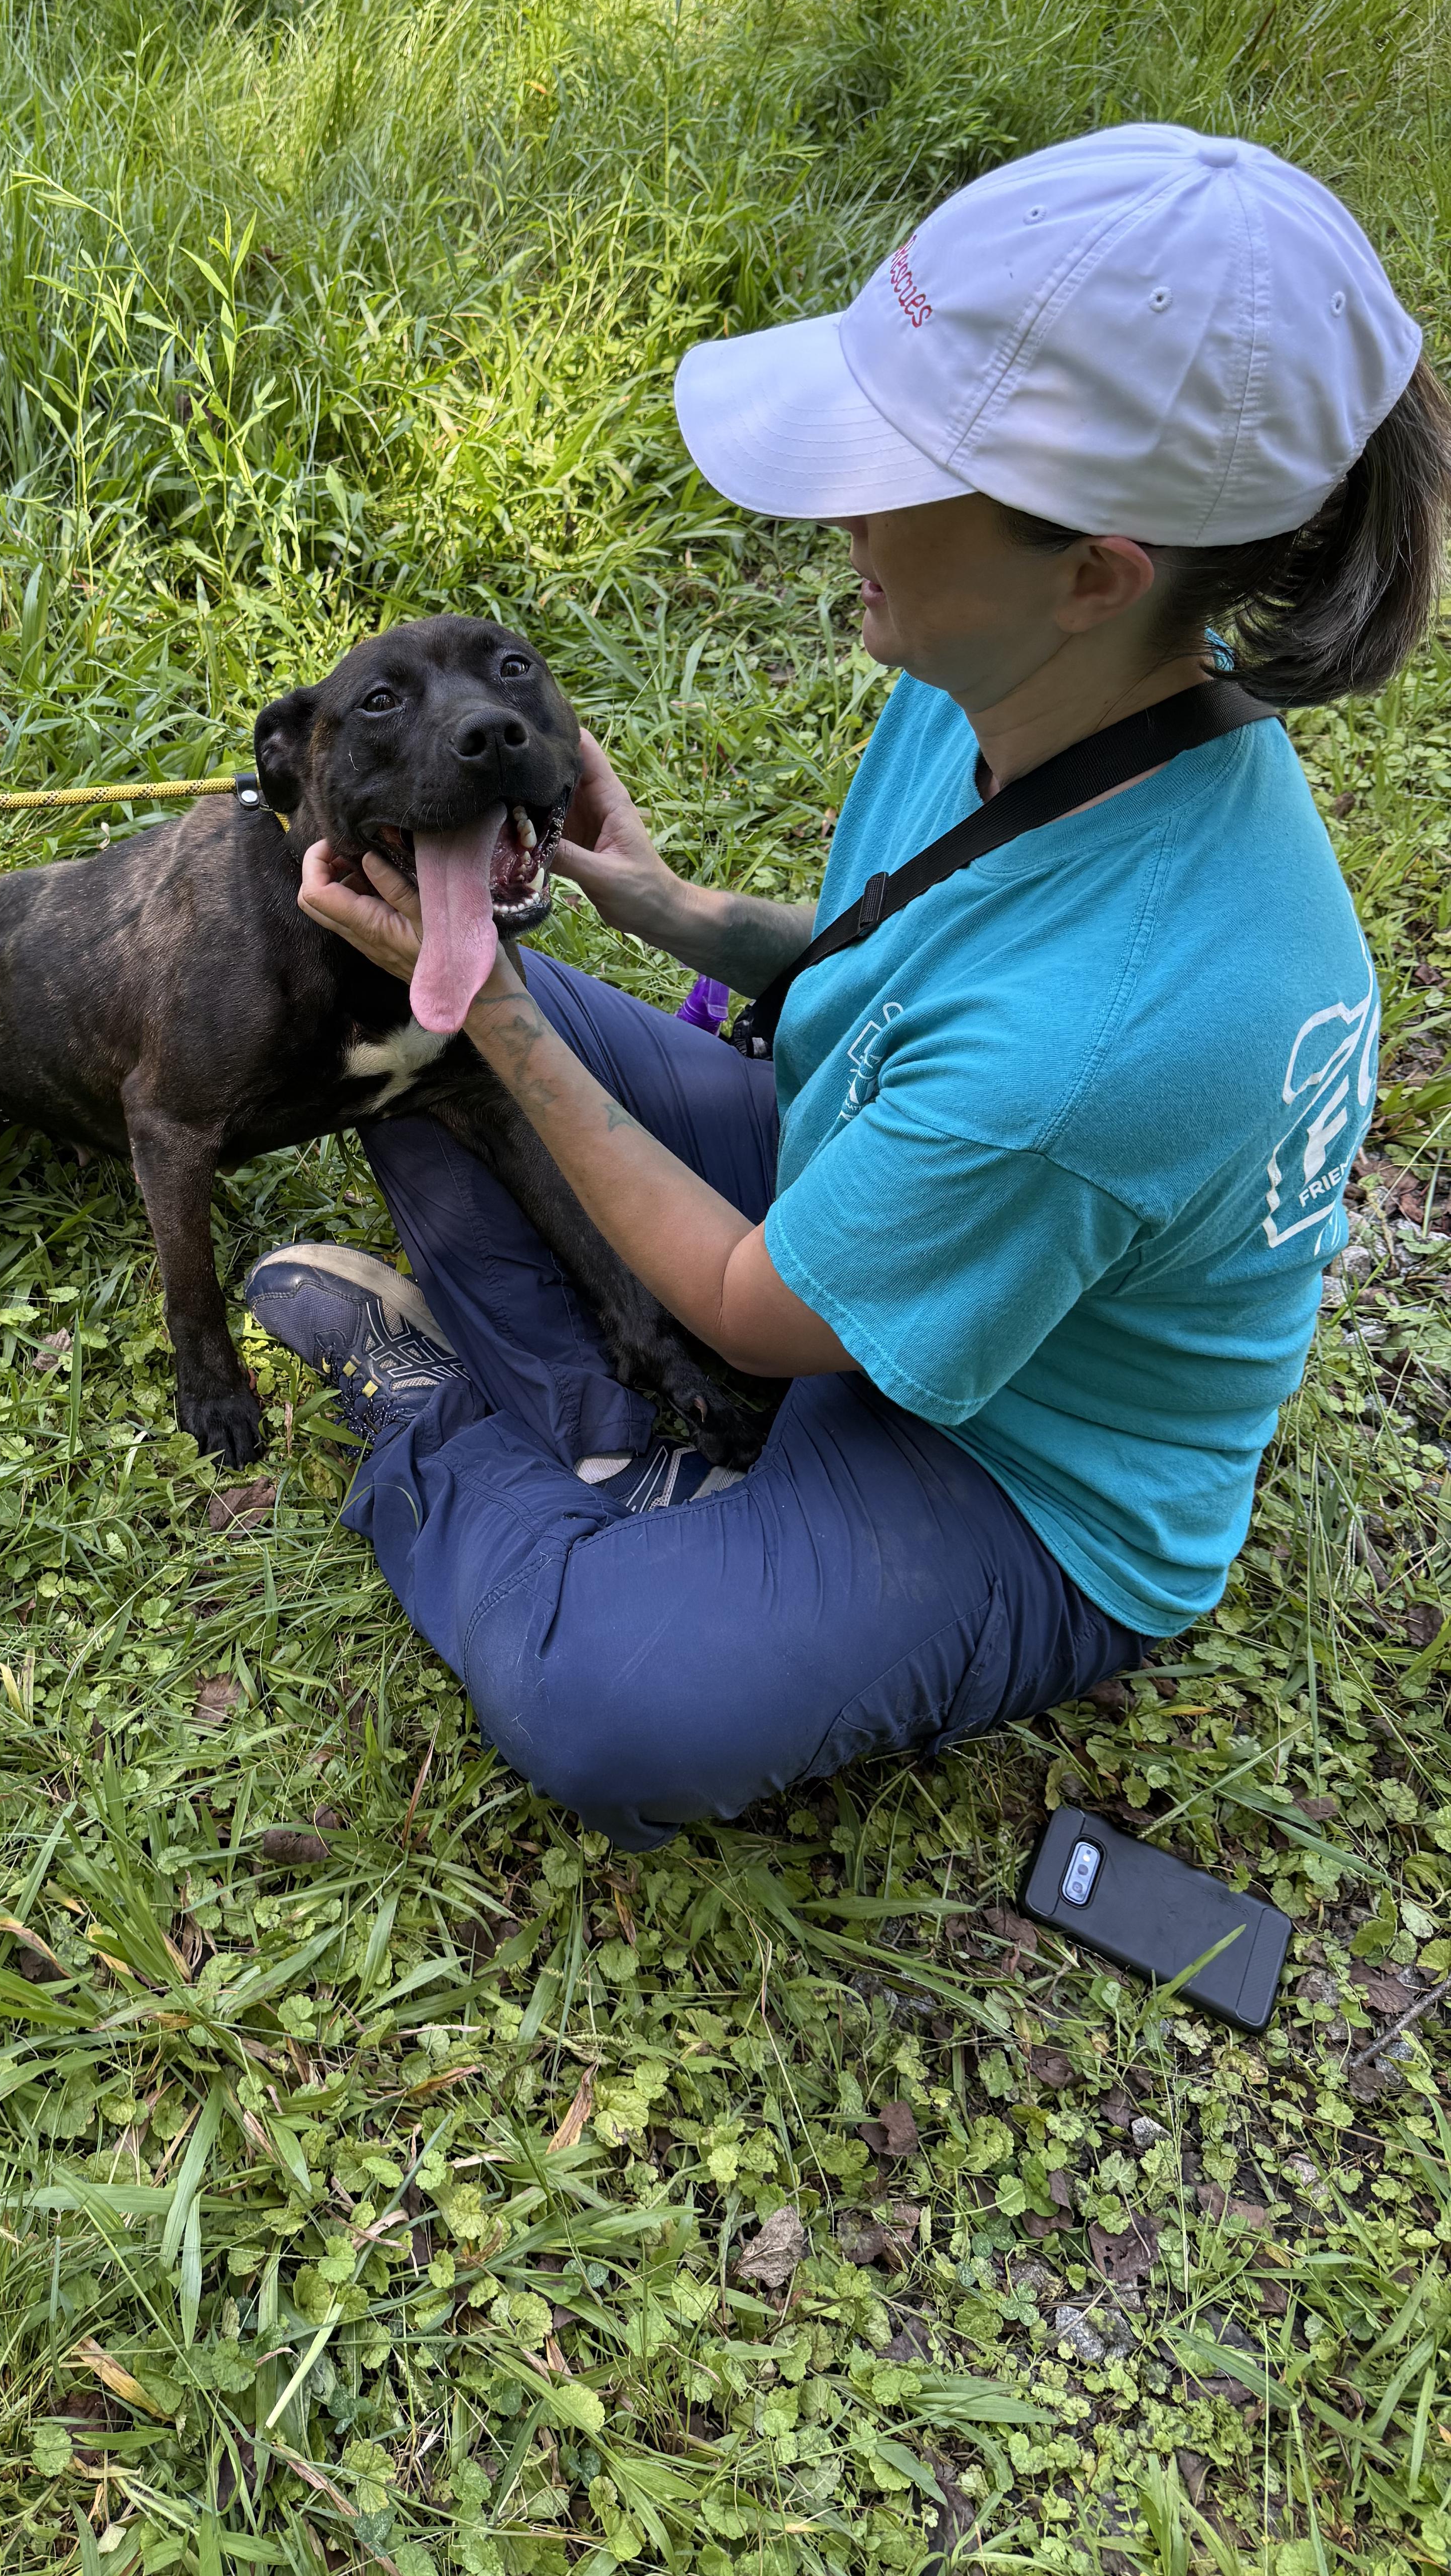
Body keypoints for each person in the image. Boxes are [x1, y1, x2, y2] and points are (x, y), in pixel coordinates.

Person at [241, 123, 1451, 1854]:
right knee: (418, 1052)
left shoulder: (1112, 1031)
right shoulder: (1014, 683)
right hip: (875, 1190)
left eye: (894, 460)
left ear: (1095, 567)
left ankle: (449, 1431)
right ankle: (630, 1451)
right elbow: (896, 964)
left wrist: (505, 1005)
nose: (840, 505)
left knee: (613, 1705)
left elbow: (757, 1298)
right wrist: (652, 906)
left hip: (1020, 1467)